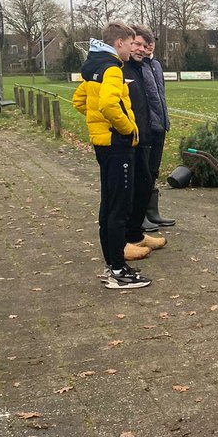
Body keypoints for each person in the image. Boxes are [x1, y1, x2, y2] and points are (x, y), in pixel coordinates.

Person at [72, 21, 151, 290]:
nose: (133, 49)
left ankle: (113, 265)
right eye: (131, 43)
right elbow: (107, 104)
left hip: (102, 145)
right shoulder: (113, 68)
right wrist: (128, 129)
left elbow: (80, 102)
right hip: (118, 147)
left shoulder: (93, 67)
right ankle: (117, 270)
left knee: (108, 205)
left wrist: (98, 124)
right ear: (119, 43)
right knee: (119, 208)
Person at [123, 31, 167, 256]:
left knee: (146, 181)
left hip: (148, 134)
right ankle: (125, 240)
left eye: (145, 44)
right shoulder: (120, 69)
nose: (141, 48)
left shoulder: (144, 67)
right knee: (129, 189)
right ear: (126, 44)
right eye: (136, 44)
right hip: (130, 138)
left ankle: (136, 234)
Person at [136, 28, 174, 229]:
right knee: (143, 172)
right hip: (147, 127)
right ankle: (140, 214)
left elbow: (161, 95)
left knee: (153, 171)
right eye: (145, 42)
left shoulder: (156, 65)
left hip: (160, 125)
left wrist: (164, 120)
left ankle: (152, 211)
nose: (149, 45)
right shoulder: (137, 65)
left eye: (152, 41)